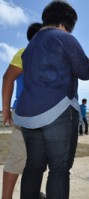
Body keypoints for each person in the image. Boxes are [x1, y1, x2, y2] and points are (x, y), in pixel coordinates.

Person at [13, 1, 89, 199]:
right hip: (58, 111)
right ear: (64, 24)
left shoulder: (30, 47)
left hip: (27, 115)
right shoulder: (63, 37)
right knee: (59, 170)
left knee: (34, 166)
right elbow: (84, 72)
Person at [1, 22, 43, 199]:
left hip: (45, 116)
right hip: (25, 114)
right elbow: (7, 78)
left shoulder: (49, 57)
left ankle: (32, 194)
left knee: (38, 160)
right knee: (18, 157)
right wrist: (6, 111)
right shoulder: (24, 52)